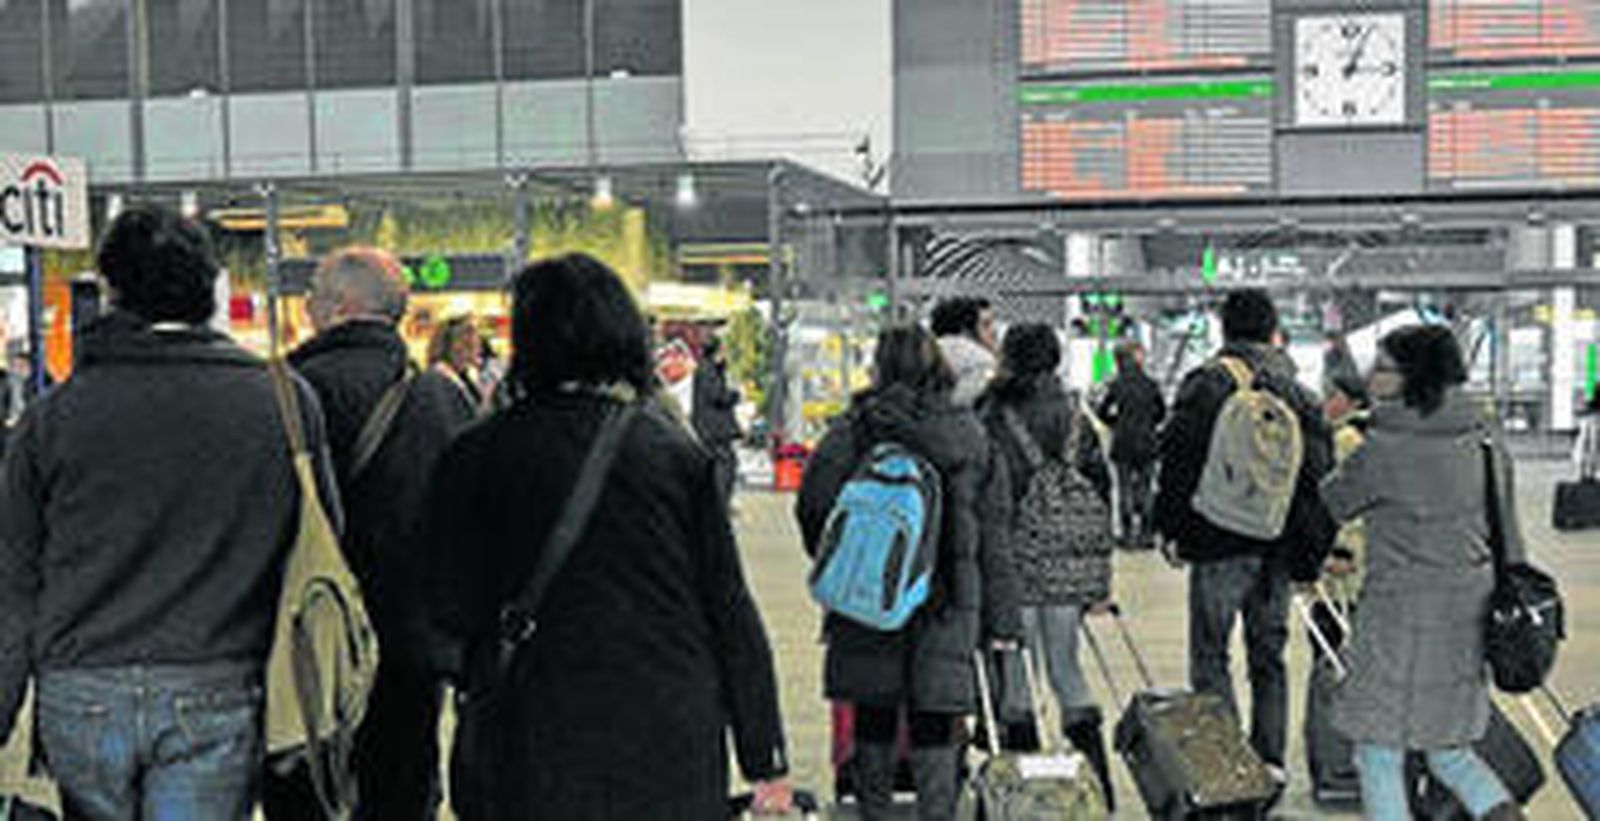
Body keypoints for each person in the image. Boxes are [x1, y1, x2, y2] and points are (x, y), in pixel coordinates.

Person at [421, 254, 792, 819]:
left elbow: (446, 603)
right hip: (666, 733)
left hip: (531, 731)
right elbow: (728, 606)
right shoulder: (674, 454)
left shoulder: (476, 454)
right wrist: (763, 756)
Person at [0, 205, 340, 820]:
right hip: (216, 678)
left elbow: (15, 579)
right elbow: (319, 542)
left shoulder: (54, 418)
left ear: (112, 291)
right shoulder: (283, 402)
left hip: (80, 688)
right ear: (210, 286)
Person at [268, 247, 476, 821]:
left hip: (307, 646)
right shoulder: (441, 397)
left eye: (313, 290)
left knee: (306, 796)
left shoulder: (286, 393)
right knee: (400, 792)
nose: (305, 301)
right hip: (410, 650)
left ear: (339, 307)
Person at [797, 324, 1021, 821]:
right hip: (945, 602)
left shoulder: (853, 430)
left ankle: (875, 811)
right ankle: (937, 813)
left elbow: (813, 506)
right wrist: (1003, 622)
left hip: (869, 595)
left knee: (873, 714)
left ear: (878, 367)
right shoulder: (971, 437)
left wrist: (847, 562)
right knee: (936, 718)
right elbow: (995, 540)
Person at [1321, 325, 1526, 821]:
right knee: (1448, 751)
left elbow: (1333, 501)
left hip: (1399, 618)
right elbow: (1508, 531)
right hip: (1468, 614)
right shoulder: (1484, 436)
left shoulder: (1386, 446)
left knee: (1377, 751)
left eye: (1384, 367)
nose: (1371, 376)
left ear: (1414, 375)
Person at [1153, 289, 1335, 785]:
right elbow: (1318, 478)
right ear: (1274, 330)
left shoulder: (1207, 384)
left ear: (1223, 329)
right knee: (1269, 656)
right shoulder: (1300, 393)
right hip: (1275, 546)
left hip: (1217, 541)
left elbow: (1178, 461)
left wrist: (1170, 527)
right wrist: (1309, 554)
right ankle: (1271, 762)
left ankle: (1228, 769)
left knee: (1211, 654)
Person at [978, 323, 1117, 810]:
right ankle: (1096, 786)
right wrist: (1101, 576)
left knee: (1016, 676)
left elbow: (986, 493)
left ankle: (1023, 795)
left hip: (1013, 561)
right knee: (1066, 668)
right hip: (1070, 567)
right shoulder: (1077, 415)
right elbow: (1101, 489)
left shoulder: (993, 414)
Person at [1097, 341, 1166, 549]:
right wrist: (1149, 424)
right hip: (1147, 442)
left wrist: (1116, 424)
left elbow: (1102, 411)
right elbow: (1161, 412)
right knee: (1146, 487)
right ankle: (1146, 535)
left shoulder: (1116, 385)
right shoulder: (1151, 384)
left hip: (1123, 442)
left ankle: (1127, 536)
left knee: (1124, 488)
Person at [692, 335, 743, 505]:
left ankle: (717, 501)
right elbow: (717, 396)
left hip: (709, 429)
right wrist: (735, 395)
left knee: (722, 464)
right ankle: (719, 502)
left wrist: (721, 368)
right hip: (714, 430)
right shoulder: (707, 370)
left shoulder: (707, 369)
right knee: (726, 464)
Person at [930, 297, 998, 408]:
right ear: (967, 328)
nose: (993, 331)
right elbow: (961, 404)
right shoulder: (983, 361)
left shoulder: (924, 350)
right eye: (985, 325)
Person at [428, 314, 486, 416]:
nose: (480, 351)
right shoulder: (440, 381)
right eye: (477, 343)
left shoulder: (461, 375)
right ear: (460, 346)